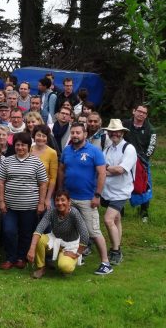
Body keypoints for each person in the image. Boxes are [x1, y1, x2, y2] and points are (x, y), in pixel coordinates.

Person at [57, 122, 112, 275]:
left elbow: (102, 173)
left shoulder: (94, 151)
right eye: (72, 133)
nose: (74, 135)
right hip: (69, 198)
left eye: (78, 133)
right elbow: (61, 171)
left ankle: (106, 263)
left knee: (93, 231)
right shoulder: (67, 150)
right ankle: (73, 258)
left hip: (87, 198)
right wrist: (61, 190)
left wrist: (97, 195)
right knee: (70, 229)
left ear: (85, 134)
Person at [0, 132, 48, 270]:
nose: (20, 147)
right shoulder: (7, 161)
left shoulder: (36, 162)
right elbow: (1, 182)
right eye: (17, 145)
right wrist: (1, 201)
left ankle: (21, 257)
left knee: (26, 233)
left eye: (23, 145)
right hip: (10, 206)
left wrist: (41, 203)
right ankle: (10, 257)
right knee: (9, 231)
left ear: (28, 146)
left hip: (30, 206)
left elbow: (43, 183)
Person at [27, 190, 89, 279]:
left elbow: (85, 235)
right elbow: (39, 229)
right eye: (57, 200)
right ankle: (41, 268)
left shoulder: (74, 213)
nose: (60, 203)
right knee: (39, 239)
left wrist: (77, 254)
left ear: (69, 201)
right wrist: (32, 249)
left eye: (63, 200)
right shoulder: (52, 212)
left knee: (65, 267)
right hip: (55, 240)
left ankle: (66, 262)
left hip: (70, 245)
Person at [101, 119, 137, 265]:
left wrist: (108, 168)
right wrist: (111, 169)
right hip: (108, 190)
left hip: (122, 191)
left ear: (122, 132)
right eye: (112, 131)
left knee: (108, 219)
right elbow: (105, 170)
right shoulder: (108, 149)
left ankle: (116, 251)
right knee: (116, 220)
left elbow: (121, 170)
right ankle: (117, 246)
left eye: (117, 131)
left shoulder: (129, 149)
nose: (114, 134)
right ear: (108, 133)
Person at [123, 104, 156, 221]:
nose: (141, 114)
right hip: (124, 160)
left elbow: (151, 147)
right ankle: (119, 210)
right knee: (121, 184)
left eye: (144, 113)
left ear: (146, 116)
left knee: (145, 186)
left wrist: (144, 159)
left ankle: (144, 213)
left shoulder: (150, 129)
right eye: (139, 111)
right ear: (134, 111)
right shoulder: (125, 124)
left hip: (141, 161)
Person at [31, 125, 59, 208]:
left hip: (45, 191)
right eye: (38, 135)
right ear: (34, 136)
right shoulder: (29, 150)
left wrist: (47, 198)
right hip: (29, 191)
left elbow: (53, 178)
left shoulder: (52, 153)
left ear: (47, 138)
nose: (41, 138)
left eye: (44, 136)